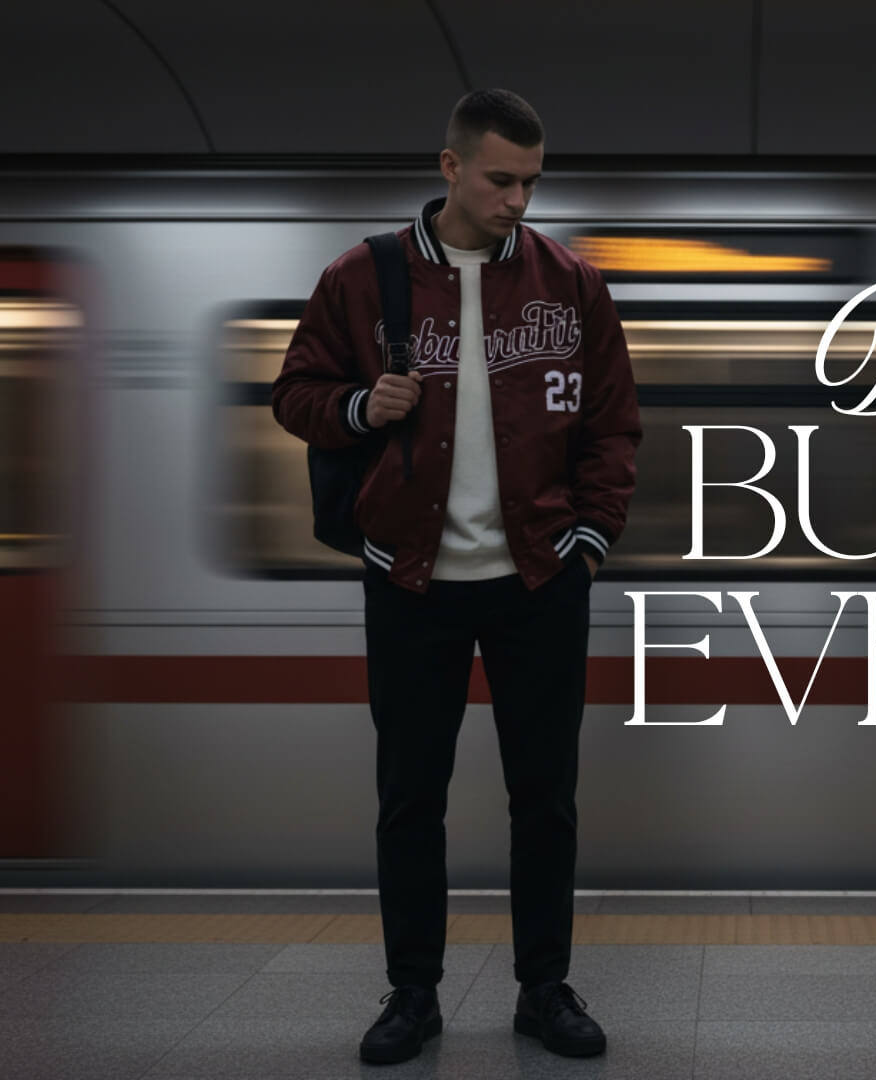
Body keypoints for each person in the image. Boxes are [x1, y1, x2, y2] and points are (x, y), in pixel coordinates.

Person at [270, 88, 641, 1063]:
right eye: (501, 179)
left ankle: (545, 989)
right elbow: (294, 393)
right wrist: (359, 407)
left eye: (532, 181)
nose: (519, 199)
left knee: (545, 797)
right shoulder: (366, 276)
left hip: (538, 578)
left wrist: (589, 543)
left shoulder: (569, 283)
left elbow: (612, 426)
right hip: (411, 578)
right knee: (409, 797)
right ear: (450, 168)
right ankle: (413, 994)